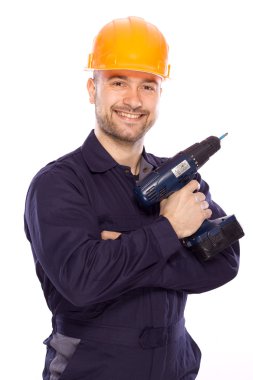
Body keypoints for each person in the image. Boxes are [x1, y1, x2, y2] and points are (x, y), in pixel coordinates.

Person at [24, 16, 240, 380]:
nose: (133, 100)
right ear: (93, 90)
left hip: (176, 370)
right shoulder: (58, 185)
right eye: (118, 82)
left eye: (148, 86)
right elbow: (82, 282)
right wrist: (172, 232)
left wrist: (121, 253)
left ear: (160, 94)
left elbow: (224, 263)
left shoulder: (177, 176)